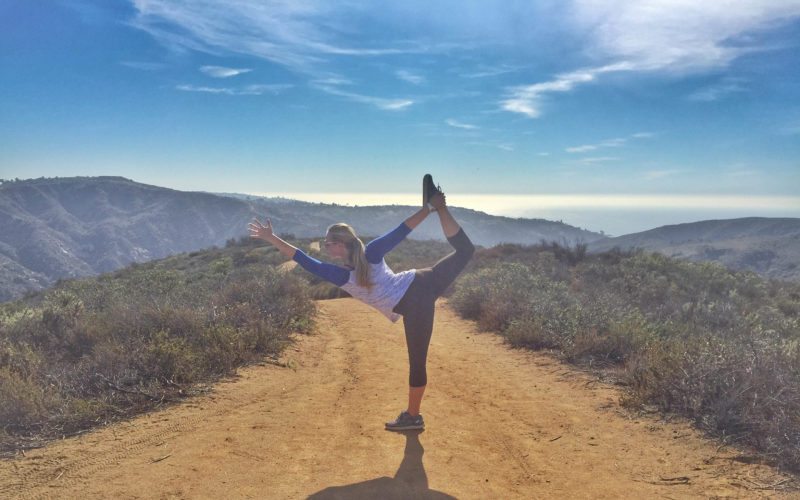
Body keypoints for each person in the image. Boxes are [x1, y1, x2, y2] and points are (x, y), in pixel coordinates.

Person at [248, 175, 474, 431]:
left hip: (416, 299)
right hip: (423, 282)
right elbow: (301, 258)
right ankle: (440, 207)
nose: (325, 248)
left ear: (340, 245)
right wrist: (271, 238)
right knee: (466, 251)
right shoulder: (348, 269)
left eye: (328, 244)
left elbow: (403, 230)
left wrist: (426, 209)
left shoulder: (357, 264)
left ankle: (413, 417)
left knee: (417, 362)